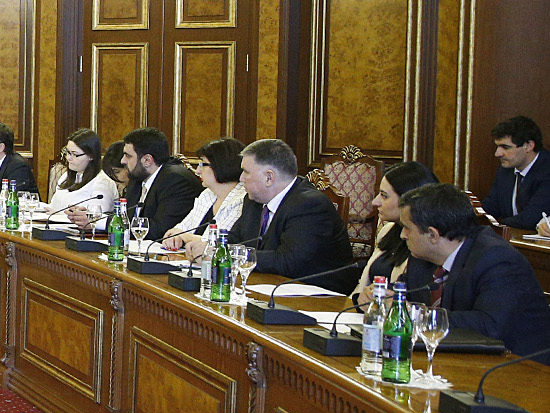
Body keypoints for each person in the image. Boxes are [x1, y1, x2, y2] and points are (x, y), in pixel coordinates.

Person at [400, 183, 550, 355]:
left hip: (517, 363)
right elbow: (404, 293)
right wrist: (388, 298)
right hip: (454, 355)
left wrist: (417, 315)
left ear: (433, 235)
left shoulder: (498, 260)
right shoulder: (422, 257)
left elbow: (489, 325)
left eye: (407, 228)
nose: (402, 235)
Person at [226, 138, 356, 293]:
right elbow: (234, 239)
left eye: (246, 172)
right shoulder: (253, 200)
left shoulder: (310, 205)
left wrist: (231, 255)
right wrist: (212, 247)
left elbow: (287, 261)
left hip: (315, 294)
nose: (241, 178)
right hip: (267, 285)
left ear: (269, 177)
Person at [71, 127, 200, 237]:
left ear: (147, 160)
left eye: (128, 156)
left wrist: (98, 221)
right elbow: (127, 217)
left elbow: (160, 229)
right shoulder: (138, 178)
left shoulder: (175, 180)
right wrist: (93, 215)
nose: (122, 161)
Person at [349, 160, 439, 303]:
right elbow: (362, 288)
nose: (375, 202)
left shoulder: (425, 243)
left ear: (409, 199)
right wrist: (358, 300)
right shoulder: (388, 230)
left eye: (384, 196)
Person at [163, 138, 247, 257]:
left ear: (221, 165)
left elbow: (217, 244)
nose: (197, 171)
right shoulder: (207, 194)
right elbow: (178, 230)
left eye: (203, 164)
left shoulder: (242, 200)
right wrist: (177, 237)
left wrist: (184, 236)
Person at [480, 115, 550, 229]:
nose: (497, 154)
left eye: (505, 147)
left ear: (528, 146)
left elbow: (530, 219)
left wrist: (496, 225)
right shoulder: (505, 170)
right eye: (498, 147)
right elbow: (490, 207)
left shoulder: (547, 169)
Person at [36, 129, 120, 221]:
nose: (68, 158)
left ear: (91, 156)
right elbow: (53, 207)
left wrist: (59, 216)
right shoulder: (65, 176)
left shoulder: (103, 182)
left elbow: (96, 219)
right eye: (68, 152)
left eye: (75, 154)